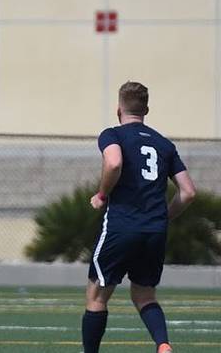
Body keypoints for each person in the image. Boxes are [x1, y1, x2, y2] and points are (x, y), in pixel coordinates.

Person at [82, 81, 197, 353]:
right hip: (154, 231)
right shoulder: (164, 144)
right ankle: (163, 344)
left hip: (121, 226)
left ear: (118, 109)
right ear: (146, 110)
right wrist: (164, 217)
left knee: (97, 296)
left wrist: (102, 194)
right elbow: (189, 192)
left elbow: (114, 162)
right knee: (144, 295)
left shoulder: (112, 135)